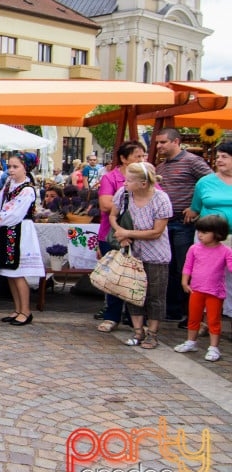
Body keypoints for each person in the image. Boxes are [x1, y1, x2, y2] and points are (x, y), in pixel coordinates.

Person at [153, 128, 213, 325]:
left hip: (183, 223)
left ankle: (191, 313)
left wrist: (196, 208)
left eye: (163, 142)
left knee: (184, 268)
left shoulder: (193, 162)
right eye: (158, 143)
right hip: (165, 224)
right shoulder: (161, 167)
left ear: (176, 141)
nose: (159, 146)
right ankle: (172, 310)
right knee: (167, 268)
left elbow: (211, 184)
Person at [109, 161, 172, 349]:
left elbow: (156, 232)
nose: (124, 183)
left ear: (143, 183)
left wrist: (128, 234)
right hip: (133, 253)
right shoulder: (124, 194)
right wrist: (120, 232)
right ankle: (138, 331)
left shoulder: (161, 199)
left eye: (129, 180)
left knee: (155, 295)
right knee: (133, 292)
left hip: (156, 255)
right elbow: (113, 215)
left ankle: (152, 333)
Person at [96, 140, 148, 332]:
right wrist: (139, 202)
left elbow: (157, 200)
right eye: (137, 156)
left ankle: (134, 316)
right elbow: (105, 204)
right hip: (113, 233)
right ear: (124, 159)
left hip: (141, 235)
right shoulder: (111, 178)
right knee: (115, 276)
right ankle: (112, 315)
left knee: (138, 277)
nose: (142, 160)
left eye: (144, 156)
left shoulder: (147, 177)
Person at [0, 152, 44, 326]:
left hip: (20, 230)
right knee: (10, 273)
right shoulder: (9, 184)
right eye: (10, 166)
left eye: (15, 167)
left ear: (25, 168)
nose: (11, 170)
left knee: (18, 272)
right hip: (8, 230)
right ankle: (17, 308)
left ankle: (26, 310)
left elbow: (14, 212)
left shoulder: (27, 189)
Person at [174, 215, 232, 362]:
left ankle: (214, 347)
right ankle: (191, 342)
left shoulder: (225, 251)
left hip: (215, 292)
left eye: (205, 232)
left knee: (213, 320)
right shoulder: (194, 248)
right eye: (199, 231)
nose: (200, 235)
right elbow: (188, 266)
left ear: (218, 234)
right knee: (193, 317)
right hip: (196, 289)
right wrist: (184, 281)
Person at [189, 141, 232, 319]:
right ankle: (206, 318)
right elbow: (195, 209)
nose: (219, 160)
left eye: (225, 157)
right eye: (218, 156)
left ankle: (228, 315)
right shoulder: (204, 182)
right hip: (209, 239)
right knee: (207, 278)